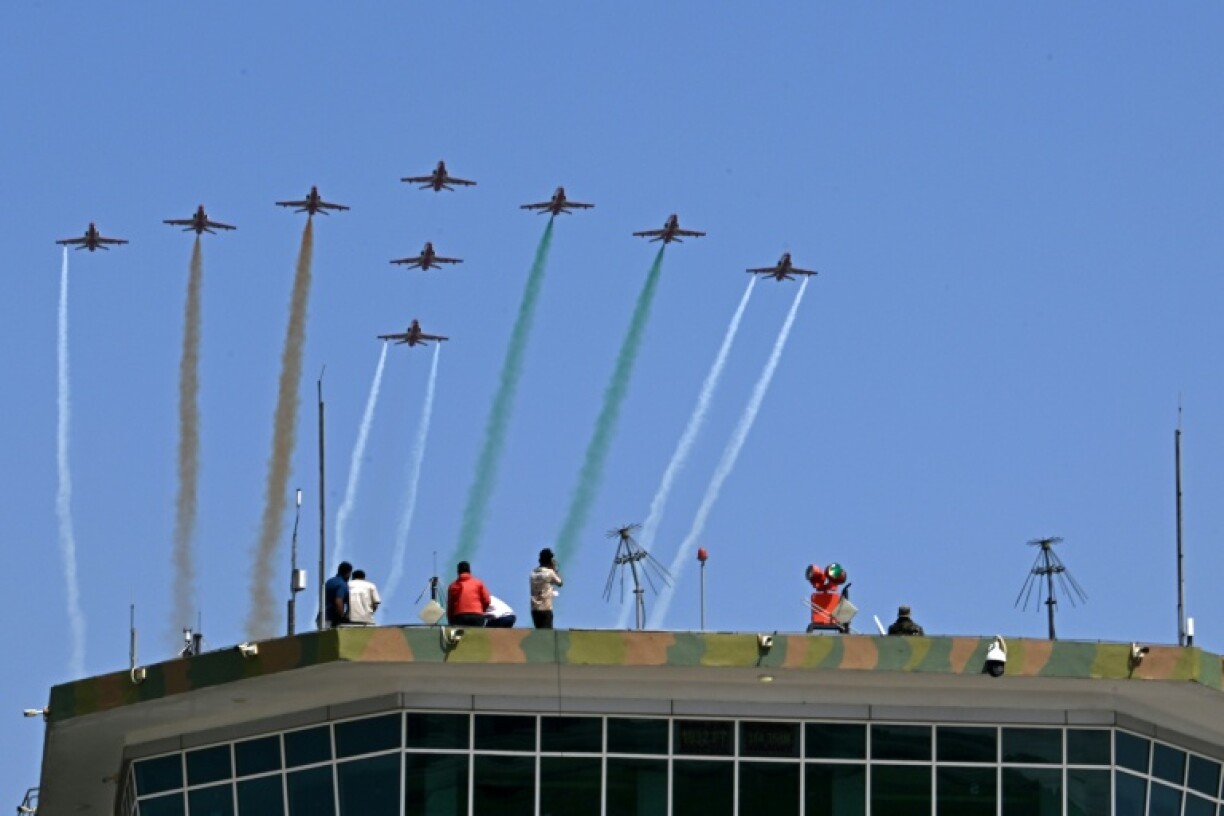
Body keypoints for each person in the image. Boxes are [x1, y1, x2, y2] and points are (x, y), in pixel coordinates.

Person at [446, 561, 491, 627]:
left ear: (458, 572)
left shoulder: (453, 586)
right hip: (477, 616)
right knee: (477, 636)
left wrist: (450, 620)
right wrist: (481, 610)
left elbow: (450, 606)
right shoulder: (478, 583)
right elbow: (487, 600)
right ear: (469, 571)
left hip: (460, 616)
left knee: (462, 637)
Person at [529, 548, 564, 629]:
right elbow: (560, 583)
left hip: (534, 608)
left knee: (539, 632)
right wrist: (554, 569)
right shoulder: (550, 573)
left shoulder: (532, 573)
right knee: (547, 634)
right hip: (546, 608)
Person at [325, 562, 353, 628]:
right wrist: (342, 617)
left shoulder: (329, 582)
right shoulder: (342, 584)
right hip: (332, 619)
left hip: (323, 617)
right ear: (348, 573)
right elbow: (338, 601)